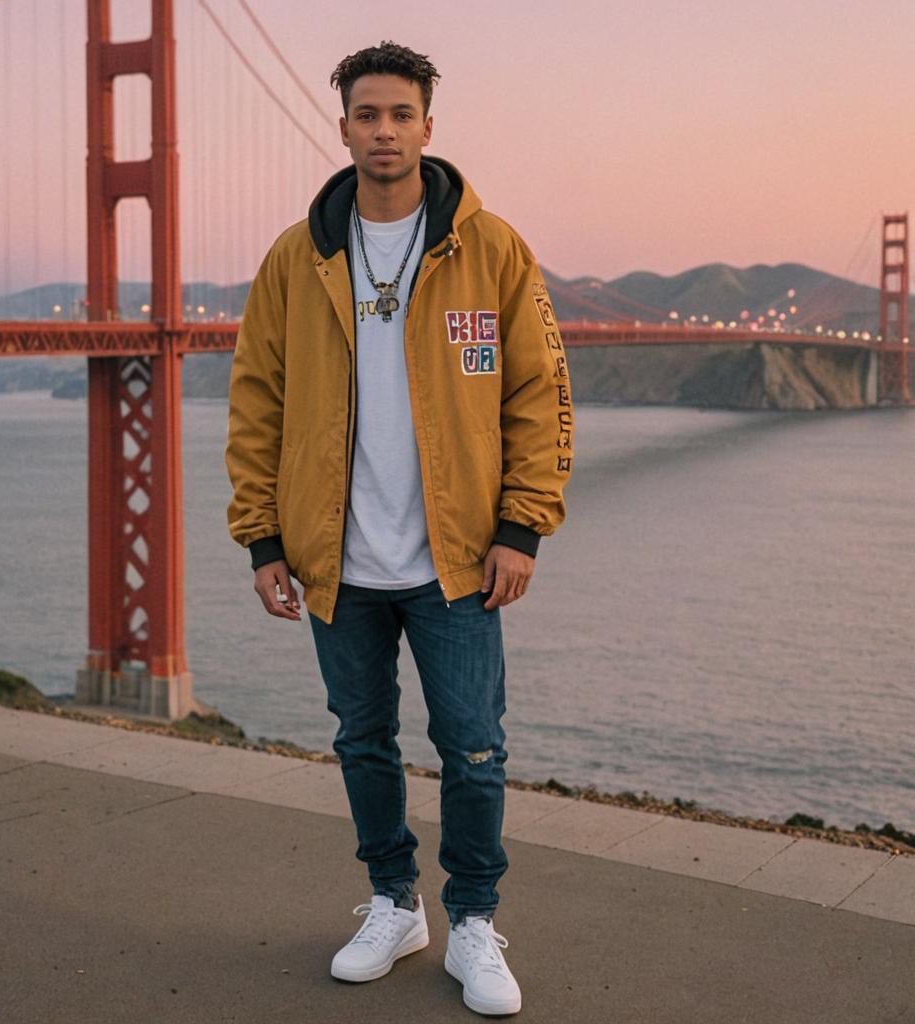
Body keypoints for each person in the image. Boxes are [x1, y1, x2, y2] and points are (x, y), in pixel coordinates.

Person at [225, 40, 572, 1017]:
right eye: (366, 115)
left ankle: (471, 922)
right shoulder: (296, 261)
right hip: (336, 561)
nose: (383, 131)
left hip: (457, 560)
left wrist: (521, 526)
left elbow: (539, 394)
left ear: (428, 126)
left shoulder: (490, 247)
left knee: (472, 747)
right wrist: (263, 538)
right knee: (362, 740)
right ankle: (392, 902)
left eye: (400, 115)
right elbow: (255, 401)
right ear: (341, 128)